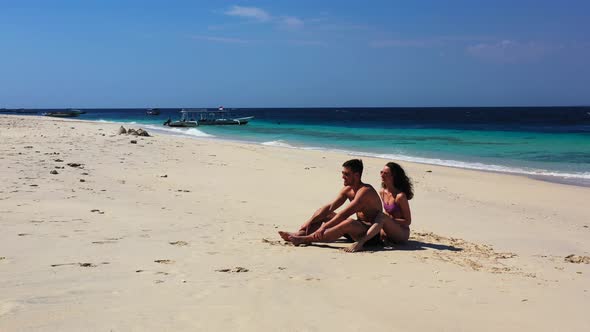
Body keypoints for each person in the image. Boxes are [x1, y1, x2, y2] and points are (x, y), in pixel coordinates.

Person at [278, 159, 387, 252]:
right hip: (356, 229)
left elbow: (344, 214)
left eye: (346, 174)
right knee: (324, 212)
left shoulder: (365, 191)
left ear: (357, 175)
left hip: (370, 235)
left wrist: (324, 228)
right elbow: (330, 207)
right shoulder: (348, 189)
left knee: (348, 222)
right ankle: (300, 233)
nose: (343, 177)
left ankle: (304, 239)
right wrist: (309, 221)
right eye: (343, 173)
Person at [378, 162, 414, 244]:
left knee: (381, 218)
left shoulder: (400, 197)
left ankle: (361, 242)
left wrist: (390, 220)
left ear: (393, 176)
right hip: (388, 228)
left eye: (386, 173)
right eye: (381, 172)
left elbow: (408, 221)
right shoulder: (382, 192)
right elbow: (387, 213)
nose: (382, 175)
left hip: (402, 232)